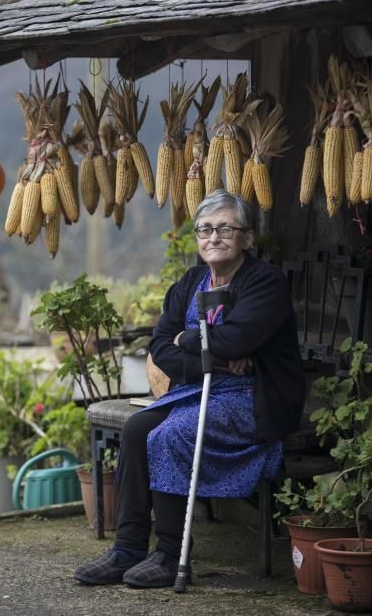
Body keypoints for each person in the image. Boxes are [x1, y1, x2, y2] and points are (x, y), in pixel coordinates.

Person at [74, 189, 305, 589]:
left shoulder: (264, 283)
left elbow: (235, 340)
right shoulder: (192, 280)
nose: (213, 237)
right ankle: (127, 548)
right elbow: (161, 344)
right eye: (204, 229)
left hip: (253, 398)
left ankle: (169, 554)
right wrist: (209, 355)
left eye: (225, 228)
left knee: (171, 434)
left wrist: (193, 340)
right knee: (135, 429)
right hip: (197, 391)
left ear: (247, 238)